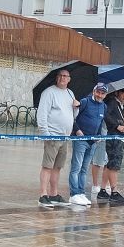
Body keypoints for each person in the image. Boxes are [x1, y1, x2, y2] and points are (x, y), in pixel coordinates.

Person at [36, 69, 77, 207]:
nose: (62, 78)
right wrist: (46, 133)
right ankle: (43, 194)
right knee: (47, 166)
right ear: (56, 78)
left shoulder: (70, 94)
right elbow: (42, 114)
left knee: (57, 167)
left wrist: (76, 107)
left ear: (69, 79)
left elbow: (72, 115)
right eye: (60, 76)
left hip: (65, 136)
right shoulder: (49, 92)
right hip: (52, 135)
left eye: (65, 76)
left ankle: (54, 194)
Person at [68, 83, 108, 206]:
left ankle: (81, 192)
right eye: (98, 92)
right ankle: (74, 194)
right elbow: (73, 117)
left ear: (105, 95)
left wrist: (99, 135)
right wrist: (77, 130)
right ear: (94, 91)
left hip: (93, 142)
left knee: (84, 169)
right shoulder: (85, 102)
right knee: (76, 167)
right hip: (80, 140)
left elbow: (100, 122)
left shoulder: (104, 107)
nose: (100, 95)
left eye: (102, 93)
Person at [98, 89, 124, 206]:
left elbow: (116, 118)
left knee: (110, 164)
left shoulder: (119, 105)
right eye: (123, 93)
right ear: (117, 93)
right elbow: (106, 115)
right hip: (114, 138)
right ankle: (114, 192)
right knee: (114, 166)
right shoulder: (112, 102)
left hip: (118, 138)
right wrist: (117, 125)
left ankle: (102, 190)